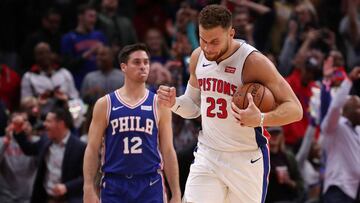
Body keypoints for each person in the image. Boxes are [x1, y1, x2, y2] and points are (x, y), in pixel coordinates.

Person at [157, 5, 303, 203]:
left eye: (215, 42)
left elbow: (295, 109)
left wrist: (260, 118)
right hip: (208, 154)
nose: (207, 48)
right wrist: (174, 103)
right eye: (203, 40)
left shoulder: (253, 62)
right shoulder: (197, 57)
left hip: (245, 158)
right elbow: (193, 106)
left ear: (231, 33)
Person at [83, 43, 181, 203]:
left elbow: (168, 150)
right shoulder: (105, 104)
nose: (143, 66)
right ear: (123, 67)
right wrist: (88, 187)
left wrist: (176, 192)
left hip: (150, 184)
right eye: (137, 62)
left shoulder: (159, 104)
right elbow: (92, 149)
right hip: (115, 185)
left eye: (146, 62)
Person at [13, 103, 86, 203]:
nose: (45, 125)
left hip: (68, 199)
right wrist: (18, 132)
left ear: (61, 124)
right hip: (45, 198)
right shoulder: (45, 140)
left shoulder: (80, 147)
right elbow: (29, 149)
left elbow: (87, 178)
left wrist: (66, 187)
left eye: (48, 121)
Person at [321, 67, 360, 203]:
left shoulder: (358, 129)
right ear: (347, 110)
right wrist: (348, 80)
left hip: (355, 191)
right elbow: (335, 107)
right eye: (357, 107)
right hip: (337, 189)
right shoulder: (335, 126)